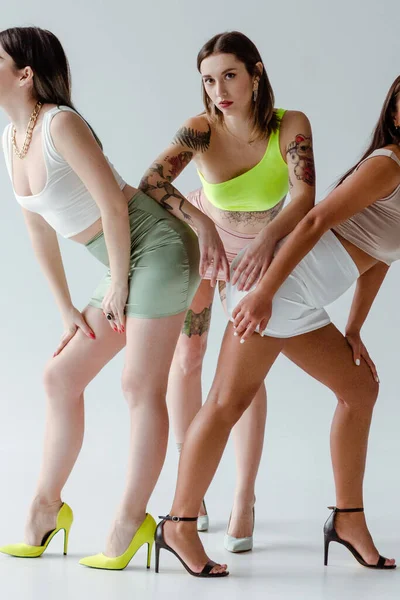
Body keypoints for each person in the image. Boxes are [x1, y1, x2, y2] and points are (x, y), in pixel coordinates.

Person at [0, 26, 228, 571]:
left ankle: (131, 522)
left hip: (159, 248)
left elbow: (109, 203)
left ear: (25, 73)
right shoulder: (13, 138)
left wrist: (120, 285)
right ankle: (44, 510)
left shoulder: (61, 124)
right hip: (126, 260)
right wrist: (66, 310)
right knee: (60, 377)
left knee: (138, 385)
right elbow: (38, 234)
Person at [154, 75, 400, 577]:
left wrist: (353, 329)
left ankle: (348, 520)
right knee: (227, 402)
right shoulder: (387, 165)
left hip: (300, 300)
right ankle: (177, 523)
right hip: (277, 289)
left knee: (360, 390)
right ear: (395, 114)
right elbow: (311, 221)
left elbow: (381, 256)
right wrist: (263, 292)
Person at [139, 30, 315, 550]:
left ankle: (244, 494)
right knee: (188, 359)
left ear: (256, 72)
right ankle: (190, 488)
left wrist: (267, 239)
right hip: (203, 248)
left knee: (245, 375)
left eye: (230, 75)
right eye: (209, 80)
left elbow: (305, 195)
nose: (220, 90)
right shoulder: (200, 129)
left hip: (257, 251)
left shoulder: (291, 126)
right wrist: (203, 224)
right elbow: (151, 181)